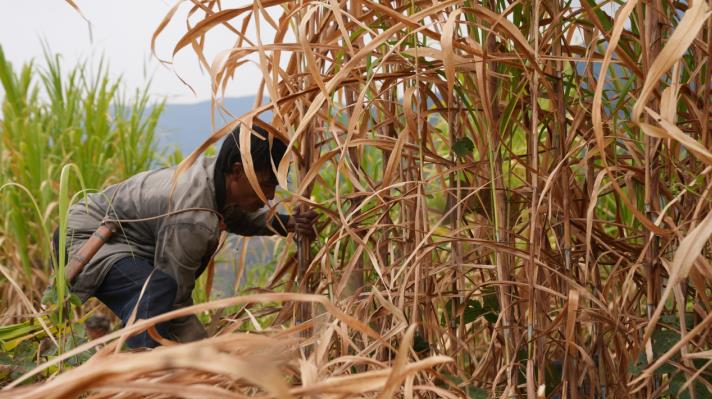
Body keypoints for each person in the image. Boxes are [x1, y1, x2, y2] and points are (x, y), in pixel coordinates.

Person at [55, 124, 316, 348]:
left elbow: (233, 215)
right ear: (238, 170)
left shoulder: (216, 179)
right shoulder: (192, 216)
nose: (270, 196)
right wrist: (205, 355)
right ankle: (144, 383)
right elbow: (177, 301)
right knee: (157, 291)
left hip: (121, 241)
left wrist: (287, 223)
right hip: (86, 238)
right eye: (267, 183)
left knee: (156, 298)